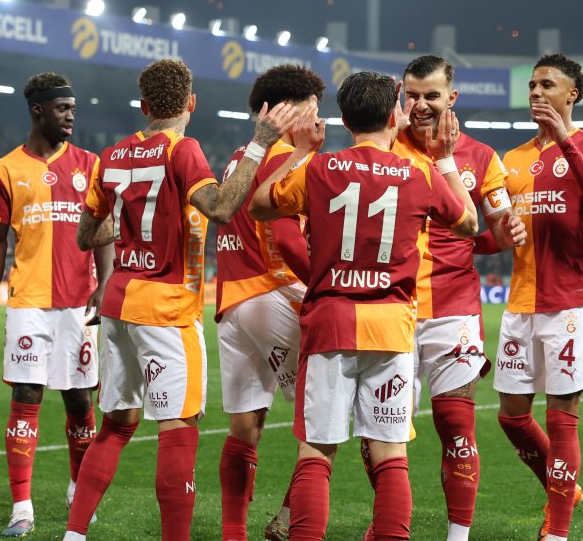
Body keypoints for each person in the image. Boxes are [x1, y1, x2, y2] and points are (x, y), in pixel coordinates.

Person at [64, 59, 297, 541]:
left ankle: (74, 533)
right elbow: (222, 208)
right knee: (178, 429)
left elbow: (88, 235)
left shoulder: (110, 156)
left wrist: (130, 228)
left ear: (144, 106)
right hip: (167, 309)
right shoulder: (182, 148)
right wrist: (259, 142)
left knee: (116, 426)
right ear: (192, 103)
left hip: (118, 306)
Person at [250, 71, 480, 541]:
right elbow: (470, 223)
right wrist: (445, 159)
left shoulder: (319, 168)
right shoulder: (419, 173)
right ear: (394, 115)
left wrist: (299, 151)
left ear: (344, 120)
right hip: (391, 329)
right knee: (390, 456)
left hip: (330, 326)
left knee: (316, 454)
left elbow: (257, 204)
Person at [368, 55, 526, 541]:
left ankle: (458, 537)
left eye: (431, 96)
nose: (420, 105)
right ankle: (388, 523)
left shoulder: (482, 157)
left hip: (453, 310)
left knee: (456, 425)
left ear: (451, 98)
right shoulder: (383, 146)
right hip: (388, 308)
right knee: (380, 434)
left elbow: (496, 230)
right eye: (412, 95)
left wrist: (509, 231)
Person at [486, 53, 583, 541]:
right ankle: (565, 489)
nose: (537, 93)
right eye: (532, 86)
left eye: (547, 85)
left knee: (562, 419)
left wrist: (565, 141)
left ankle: (556, 529)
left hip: (571, 302)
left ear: (571, 94)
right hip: (521, 301)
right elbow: (497, 231)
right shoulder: (512, 160)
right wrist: (497, 235)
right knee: (511, 416)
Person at [0, 73, 114, 537]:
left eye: (73, 108)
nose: (71, 116)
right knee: (26, 395)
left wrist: (105, 284)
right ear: (38, 110)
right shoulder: (5, 169)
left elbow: (104, 231)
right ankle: (22, 507)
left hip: (78, 301)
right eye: (63, 108)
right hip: (28, 300)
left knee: (79, 399)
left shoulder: (90, 165)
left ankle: (79, 492)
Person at [212, 65, 324, 541]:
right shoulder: (286, 156)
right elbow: (286, 236)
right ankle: (288, 519)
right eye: (314, 110)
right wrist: (322, 286)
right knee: (320, 420)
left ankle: (233, 532)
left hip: (233, 303)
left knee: (244, 426)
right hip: (274, 293)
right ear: (288, 111)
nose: (319, 120)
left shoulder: (243, 155)